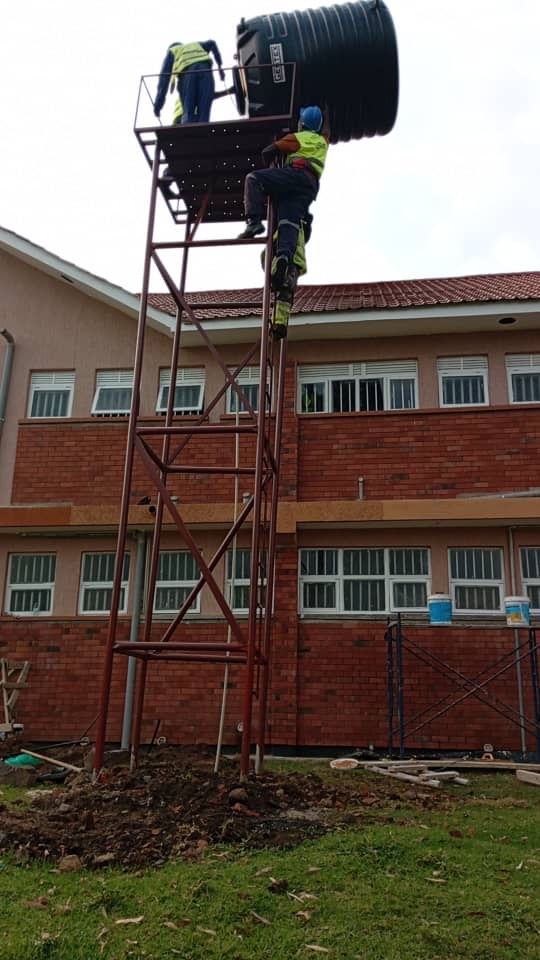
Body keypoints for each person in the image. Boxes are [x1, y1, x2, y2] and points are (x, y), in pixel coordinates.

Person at [238, 106, 328, 291]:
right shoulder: (322, 142)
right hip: (309, 187)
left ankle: (253, 222)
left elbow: (269, 150)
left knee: (253, 178)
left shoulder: (297, 138)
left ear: (302, 123)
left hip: (295, 176)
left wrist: (272, 170)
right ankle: (284, 257)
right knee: (288, 221)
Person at [154, 40, 225, 124]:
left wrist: (158, 105)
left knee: (188, 112)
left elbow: (164, 79)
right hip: (206, 72)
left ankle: (189, 128)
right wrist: (220, 67)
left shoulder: (172, 51)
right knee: (204, 114)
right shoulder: (197, 44)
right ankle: (203, 128)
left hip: (187, 74)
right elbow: (212, 43)